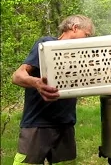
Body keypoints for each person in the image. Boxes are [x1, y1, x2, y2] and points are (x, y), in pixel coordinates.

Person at [12, 14, 95, 165]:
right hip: (37, 123)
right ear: (74, 28)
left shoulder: (80, 55)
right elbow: (17, 76)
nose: (88, 39)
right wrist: (36, 83)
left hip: (65, 124)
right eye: (87, 34)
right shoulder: (47, 44)